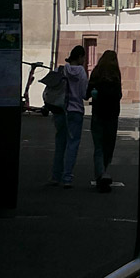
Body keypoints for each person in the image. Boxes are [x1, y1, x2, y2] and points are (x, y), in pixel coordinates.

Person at [50, 45, 89, 189]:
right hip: (75, 111)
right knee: (72, 144)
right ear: (79, 57)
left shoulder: (61, 70)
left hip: (60, 110)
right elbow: (84, 94)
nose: (84, 60)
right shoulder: (81, 73)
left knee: (60, 144)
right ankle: (67, 178)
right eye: (83, 57)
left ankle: (55, 176)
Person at [87, 50, 122, 193]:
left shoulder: (96, 75)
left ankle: (101, 173)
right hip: (112, 115)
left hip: (98, 114)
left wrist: (95, 94)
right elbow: (119, 95)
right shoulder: (115, 77)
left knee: (99, 146)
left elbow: (87, 93)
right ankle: (103, 172)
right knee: (108, 146)